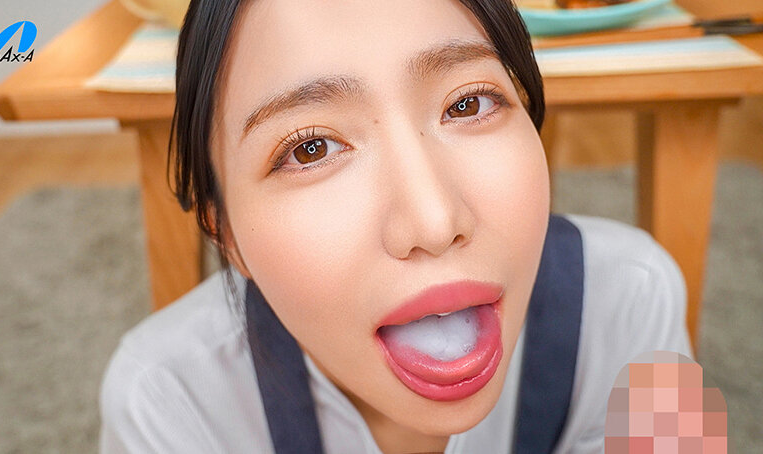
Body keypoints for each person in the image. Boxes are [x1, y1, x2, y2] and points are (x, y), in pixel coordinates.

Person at [98, 0, 693, 453]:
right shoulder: (167, 406)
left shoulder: (634, 299)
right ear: (225, 234)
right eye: (310, 149)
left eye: (468, 103)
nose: (433, 222)